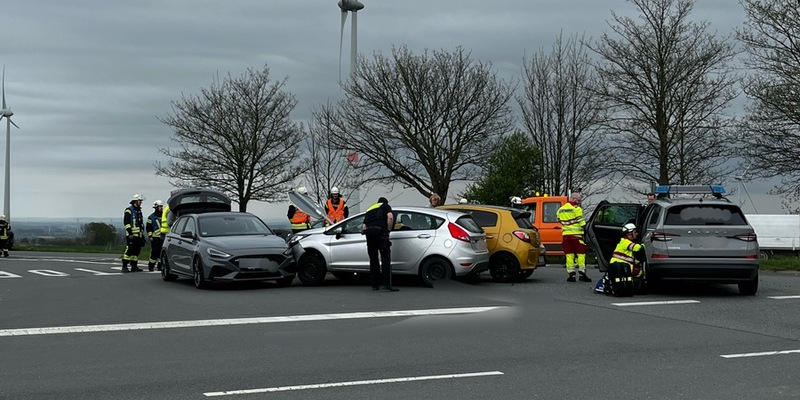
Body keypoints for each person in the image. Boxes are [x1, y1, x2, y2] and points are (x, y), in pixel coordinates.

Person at [362, 197, 397, 291]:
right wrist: (388, 231)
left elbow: (364, 226)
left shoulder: (370, 208)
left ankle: (375, 285)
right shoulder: (386, 206)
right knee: (385, 257)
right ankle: (386, 285)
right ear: (385, 202)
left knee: (373, 259)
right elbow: (390, 217)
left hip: (369, 233)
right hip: (380, 232)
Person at [557, 192, 591, 282]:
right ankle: (582, 273)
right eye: (578, 200)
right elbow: (582, 223)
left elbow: (559, 220)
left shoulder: (560, 209)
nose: (579, 202)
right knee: (581, 254)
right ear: (573, 199)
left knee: (569, 255)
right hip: (576, 236)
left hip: (566, 236)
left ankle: (571, 275)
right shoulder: (577, 209)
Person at [122, 194, 146, 273]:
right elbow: (127, 223)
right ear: (135, 201)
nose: (141, 202)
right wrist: (130, 233)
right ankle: (124, 266)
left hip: (138, 235)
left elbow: (140, 222)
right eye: (140, 201)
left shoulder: (139, 210)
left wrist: (142, 231)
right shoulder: (129, 210)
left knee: (136, 251)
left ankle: (134, 266)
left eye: (141, 201)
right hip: (131, 235)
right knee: (129, 250)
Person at [146, 200, 165, 272]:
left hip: (163, 237)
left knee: (161, 252)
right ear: (156, 207)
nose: (161, 208)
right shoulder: (151, 217)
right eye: (160, 206)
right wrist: (150, 236)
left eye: (162, 206)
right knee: (155, 252)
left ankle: (160, 266)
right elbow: (149, 228)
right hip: (155, 237)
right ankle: (151, 266)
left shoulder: (164, 216)